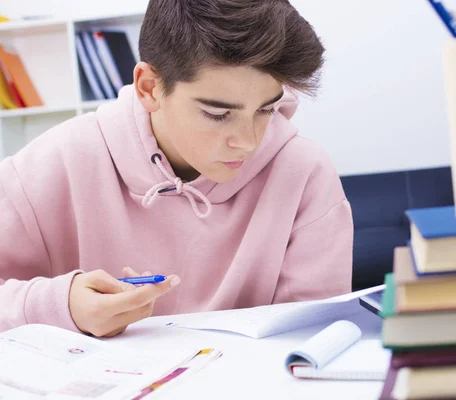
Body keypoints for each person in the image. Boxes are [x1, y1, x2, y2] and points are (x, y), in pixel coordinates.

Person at [0, 0, 353, 337]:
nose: (248, 141)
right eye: (218, 114)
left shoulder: (305, 174)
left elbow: (313, 341)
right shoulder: (50, 164)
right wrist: (57, 304)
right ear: (149, 87)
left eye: (266, 109)